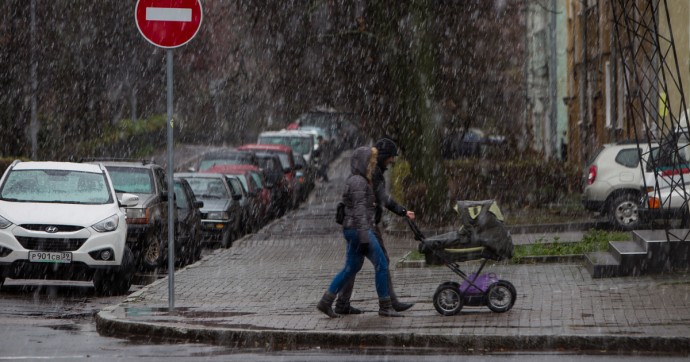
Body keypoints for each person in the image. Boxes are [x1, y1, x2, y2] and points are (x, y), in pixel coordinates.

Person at [316, 146, 403, 318]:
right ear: (363, 162)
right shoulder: (358, 182)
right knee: (382, 264)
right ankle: (385, 306)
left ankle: (326, 302)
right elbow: (359, 212)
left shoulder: (358, 180)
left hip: (353, 230)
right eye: (370, 162)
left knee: (351, 268)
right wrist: (364, 238)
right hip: (359, 230)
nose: (372, 165)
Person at [334, 138, 415, 314]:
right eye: (392, 157)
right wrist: (401, 210)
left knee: (352, 266)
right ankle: (388, 303)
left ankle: (341, 303)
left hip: (359, 224)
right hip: (365, 225)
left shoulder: (370, 171)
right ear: (385, 156)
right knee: (381, 262)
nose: (393, 161)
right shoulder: (372, 173)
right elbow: (382, 199)